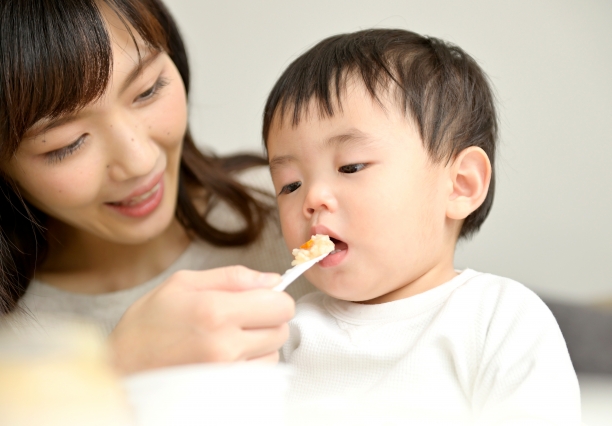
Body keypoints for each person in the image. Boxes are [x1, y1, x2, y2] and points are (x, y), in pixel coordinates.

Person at [263, 29, 581, 423]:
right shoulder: (288, 332)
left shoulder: (497, 319)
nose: (312, 199)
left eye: (351, 166)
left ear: (460, 185)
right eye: (290, 185)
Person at [0, 0, 307, 374]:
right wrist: (112, 371)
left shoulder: (303, 214)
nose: (140, 161)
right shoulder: (14, 348)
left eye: (148, 91)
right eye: (67, 144)